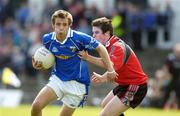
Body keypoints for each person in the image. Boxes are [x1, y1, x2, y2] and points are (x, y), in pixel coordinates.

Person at [31, 10, 116, 116]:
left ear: (69, 25)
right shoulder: (47, 39)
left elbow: (101, 48)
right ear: (53, 25)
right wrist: (40, 64)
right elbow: (48, 58)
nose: (61, 27)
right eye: (58, 24)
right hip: (58, 79)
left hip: (77, 85)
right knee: (36, 105)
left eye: (64, 24)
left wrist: (110, 70)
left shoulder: (79, 38)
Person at [79, 17, 148, 116]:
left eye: (96, 32)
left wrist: (88, 57)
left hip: (135, 85)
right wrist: (103, 77)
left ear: (107, 33)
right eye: (93, 33)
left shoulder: (117, 46)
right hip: (125, 85)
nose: (93, 36)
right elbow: (110, 66)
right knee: (104, 104)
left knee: (104, 115)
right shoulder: (109, 45)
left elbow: (110, 65)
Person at [162, 43, 180, 109]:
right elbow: (165, 68)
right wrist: (166, 76)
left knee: (178, 94)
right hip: (170, 78)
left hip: (178, 79)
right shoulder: (170, 58)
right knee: (167, 93)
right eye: (177, 51)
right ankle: (162, 106)